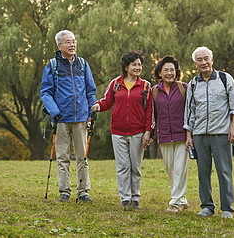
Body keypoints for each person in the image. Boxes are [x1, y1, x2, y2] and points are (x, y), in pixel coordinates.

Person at [184, 46, 234, 219]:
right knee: (203, 171)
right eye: (199, 60)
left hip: (221, 134)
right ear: (195, 63)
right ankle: (207, 206)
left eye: (206, 58)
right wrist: (189, 135)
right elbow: (189, 111)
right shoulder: (193, 83)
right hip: (199, 135)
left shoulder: (225, 78)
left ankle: (227, 208)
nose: (204, 62)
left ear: (212, 59)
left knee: (224, 171)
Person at [91, 51, 153, 210]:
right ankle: (125, 198)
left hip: (138, 132)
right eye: (134, 64)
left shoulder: (145, 86)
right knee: (123, 166)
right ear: (126, 67)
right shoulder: (115, 84)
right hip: (118, 132)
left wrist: (147, 131)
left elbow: (149, 112)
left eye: (140, 64)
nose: (138, 67)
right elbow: (107, 101)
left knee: (135, 167)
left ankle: (135, 198)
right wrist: (99, 105)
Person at [40, 30, 97, 203]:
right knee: (63, 158)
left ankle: (83, 192)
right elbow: (45, 92)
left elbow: (90, 90)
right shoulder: (52, 66)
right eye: (68, 42)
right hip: (61, 119)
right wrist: (54, 112)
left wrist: (90, 113)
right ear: (59, 46)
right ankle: (64, 191)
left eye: (74, 41)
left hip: (81, 119)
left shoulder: (83, 64)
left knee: (82, 157)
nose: (72, 45)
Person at [151, 55, 190, 213]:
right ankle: (182, 200)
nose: (169, 73)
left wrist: (189, 134)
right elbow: (152, 115)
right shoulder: (154, 91)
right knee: (171, 169)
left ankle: (174, 202)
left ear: (176, 72)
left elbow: (191, 112)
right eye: (165, 70)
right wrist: (150, 134)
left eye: (172, 70)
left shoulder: (184, 88)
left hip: (182, 135)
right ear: (159, 72)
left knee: (181, 168)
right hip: (165, 135)